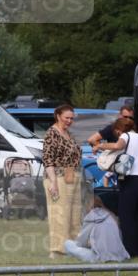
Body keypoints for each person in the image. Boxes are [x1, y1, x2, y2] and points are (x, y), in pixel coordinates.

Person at [92, 116, 138, 258]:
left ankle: (130, 250)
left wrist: (99, 146)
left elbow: (117, 146)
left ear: (119, 130)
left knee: (127, 217)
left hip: (129, 180)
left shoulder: (126, 136)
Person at [42, 104, 83, 258]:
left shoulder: (68, 134)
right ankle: (58, 250)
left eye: (72, 118)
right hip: (58, 178)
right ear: (58, 116)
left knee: (74, 215)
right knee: (59, 215)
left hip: (72, 176)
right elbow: (48, 160)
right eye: (67, 118)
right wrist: (53, 182)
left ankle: (72, 248)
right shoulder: (51, 133)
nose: (69, 121)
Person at [64, 197, 130, 263]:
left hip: (99, 257)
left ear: (89, 205)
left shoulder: (91, 216)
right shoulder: (111, 216)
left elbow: (81, 242)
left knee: (68, 243)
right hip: (118, 255)